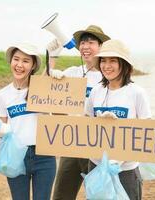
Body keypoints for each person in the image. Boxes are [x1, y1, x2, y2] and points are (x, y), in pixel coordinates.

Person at [47, 25, 111, 200]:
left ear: (101, 47)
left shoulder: (108, 76)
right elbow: (43, 95)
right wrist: (51, 59)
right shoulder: (72, 73)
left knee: (101, 195)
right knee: (61, 194)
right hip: (72, 144)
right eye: (82, 42)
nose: (85, 46)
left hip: (98, 146)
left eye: (91, 42)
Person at [86, 39, 151, 200]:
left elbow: (147, 131)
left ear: (124, 64)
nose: (107, 65)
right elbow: (86, 122)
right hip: (96, 165)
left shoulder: (137, 93)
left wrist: (120, 158)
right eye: (103, 60)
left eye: (113, 60)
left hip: (126, 170)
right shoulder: (96, 91)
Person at [0, 43, 56, 200]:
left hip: (44, 155)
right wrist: (1, 130)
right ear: (11, 62)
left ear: (33, 65)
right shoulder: (2, 95)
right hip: (16, 155)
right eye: (16, 59)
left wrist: (53, 53)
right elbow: (1, 128)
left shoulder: (41, 88)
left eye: (26, 61)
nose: (19, 65)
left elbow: (48, 73)